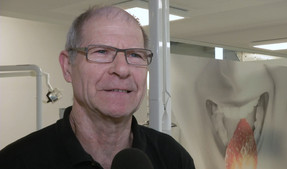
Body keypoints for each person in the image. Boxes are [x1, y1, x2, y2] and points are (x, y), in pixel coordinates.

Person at [0, 6, 195, 169]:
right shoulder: (16, 161)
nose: (121, 69)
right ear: (67, 67)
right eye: (101, 51)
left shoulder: (173, 158)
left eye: (135, 55)